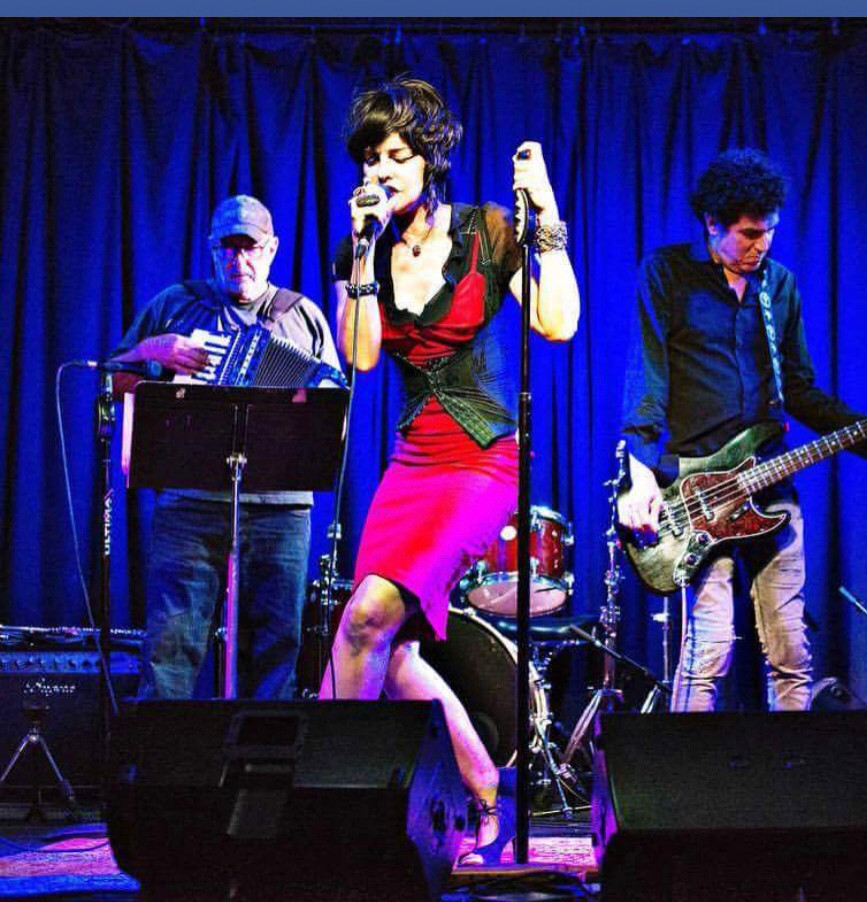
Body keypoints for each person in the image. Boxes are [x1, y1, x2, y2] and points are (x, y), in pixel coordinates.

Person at [317, 76, 579, 865]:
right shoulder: (360, 247)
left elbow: (558, 323)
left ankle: (337, 805)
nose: (381, 170)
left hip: (484, 458)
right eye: (371, 157)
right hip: (412, 461)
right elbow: (361, 355)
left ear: (430, 158)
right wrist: (362, 252)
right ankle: (483, 788)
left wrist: (547, 219)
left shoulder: (488, 231)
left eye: (397, 155)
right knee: (391, 650)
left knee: (364, 620)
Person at [618, 148, 867, 714]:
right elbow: (647, 377)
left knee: (791, 649)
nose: (762, 245)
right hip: (697, 489)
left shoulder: (777, 287)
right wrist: (639, 475)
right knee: (709, 649)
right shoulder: (668, 273)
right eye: (750, 234)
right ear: (713, 223)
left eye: (770, 232)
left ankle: (792, 763)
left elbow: (799, 390)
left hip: (769, 484)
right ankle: (688, 768)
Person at [110, 194, 342, 700]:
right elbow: (113, 378)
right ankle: (162, 751)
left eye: (250, 248)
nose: (240, 261)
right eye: (228, 249)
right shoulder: (175, 305)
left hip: (281, 509)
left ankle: (261, 754)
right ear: (212, 249)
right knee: (170, 646)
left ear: (272, 249)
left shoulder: (302, 316)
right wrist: (152, 351)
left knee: (276, 649)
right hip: (190, 504)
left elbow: (335, 406)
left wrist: (315, 402)